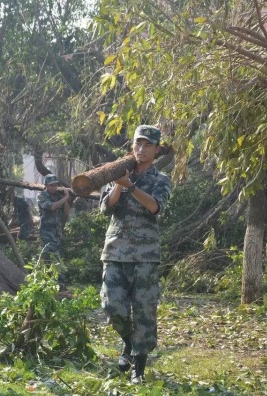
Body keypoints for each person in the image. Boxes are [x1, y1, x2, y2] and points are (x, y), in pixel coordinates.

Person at [99, 125, 171, 384]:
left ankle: (138, 367)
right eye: (138, 144)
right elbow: (106, 208)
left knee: (144, 312)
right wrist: (119, 184)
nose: (141, 149)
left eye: (147, 145)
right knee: (111, 306)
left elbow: (155, 207)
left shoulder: (161, 180)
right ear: (132, 146)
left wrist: (131, 187)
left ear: (156, 149)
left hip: (145, 255)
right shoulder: (117, 173)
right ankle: (128, 344)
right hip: (115, 251)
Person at [36, 174, 71, 260]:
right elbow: (52, 207)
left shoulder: (57, 196)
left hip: (57, 232)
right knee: (50, 258)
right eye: (51, 185)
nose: (54, 187)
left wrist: (65, 199)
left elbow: (67, 212)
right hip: (46, 232)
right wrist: (65, 197)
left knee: (55, 257)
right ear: (46, 185)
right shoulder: (41, 195)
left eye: (55, 185)